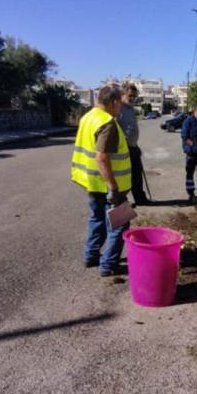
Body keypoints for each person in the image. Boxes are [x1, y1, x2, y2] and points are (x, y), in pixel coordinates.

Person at [71, 85, 132, 277]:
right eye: (119, 104)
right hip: (110, 185)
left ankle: (90, 256)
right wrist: (113, 188)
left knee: (97, 218)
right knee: (120, 224)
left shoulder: (88, 117)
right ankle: (108, 265)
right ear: (114, 102)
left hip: (91, 182)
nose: (120, 108)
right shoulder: (107, 123)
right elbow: (101, 157)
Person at [119, 82, 150, 206]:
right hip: (123, 149)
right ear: (123, 94)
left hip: (133, 147)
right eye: (130, 95)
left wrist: (135, 145)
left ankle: (140, 199)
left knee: (137, 175)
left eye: (134, 96)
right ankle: (121, 201)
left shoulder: (131, 109)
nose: (133, 98)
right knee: (125, 177)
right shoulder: (118, 109)